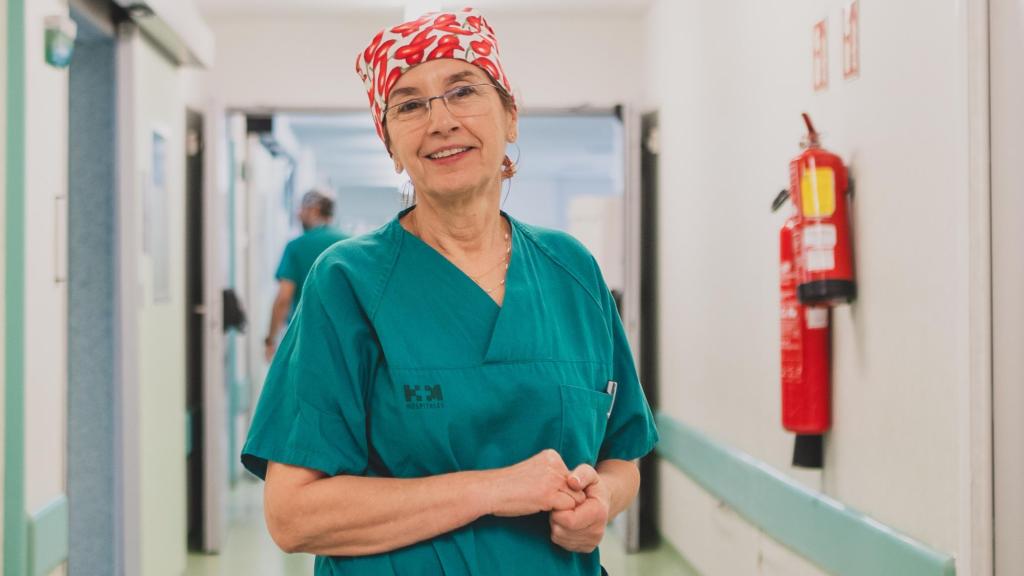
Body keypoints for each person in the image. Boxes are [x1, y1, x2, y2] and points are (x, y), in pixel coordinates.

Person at [242, 8, 658, 575]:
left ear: (510, 115)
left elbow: (622, 456)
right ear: (391, 145)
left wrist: (602, 499)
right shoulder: (347, 283)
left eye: (463, 91)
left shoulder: (572, 271)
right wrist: (493, 489)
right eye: (409, 105)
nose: (440, 121)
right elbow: (293, 516)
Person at [264, 188, 348, 361]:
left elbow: (283, 299)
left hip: (306, 341)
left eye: (301, 209)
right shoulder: (349, 244)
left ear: (313, 210)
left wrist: (270, 340)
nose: (299, 215)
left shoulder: (296, 246)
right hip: (344, 342)